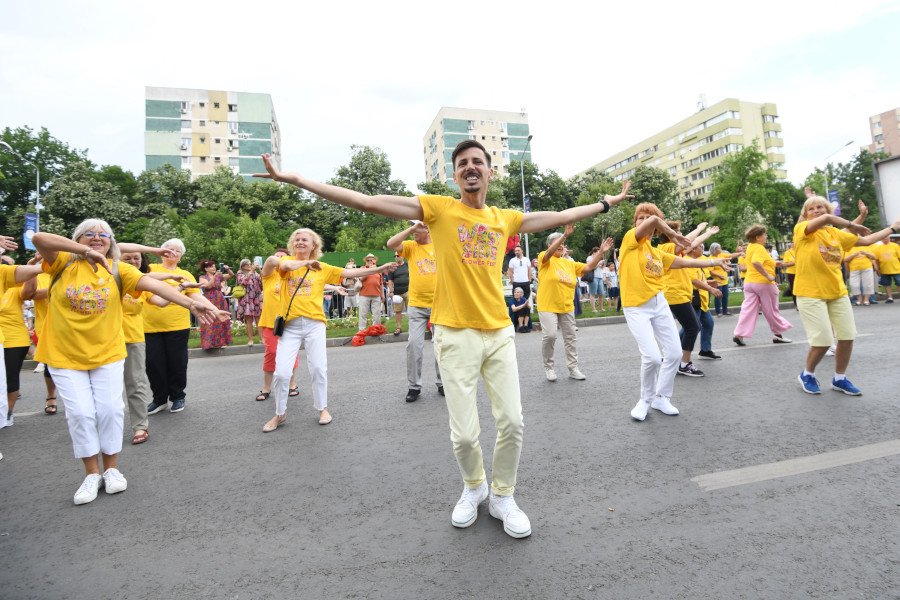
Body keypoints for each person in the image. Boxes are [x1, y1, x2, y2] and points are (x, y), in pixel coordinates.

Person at [254, 140, 633, 539]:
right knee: (466, 433)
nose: (471, 167)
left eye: (477, 162)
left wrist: (606, 204)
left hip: (499, 332)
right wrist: (295, 179)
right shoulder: (439, 209)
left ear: (489, 172)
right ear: (455, 176)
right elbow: (365, 201)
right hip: (454, 333)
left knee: (513, 423)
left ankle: (503, 495)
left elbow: (560, 215)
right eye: (462, 163)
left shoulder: (505, 217)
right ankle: (475, 487)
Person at [32, 222, 226, 505]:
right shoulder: (61, 261)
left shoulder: (118, 269)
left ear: (112, 243)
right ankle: (90, 474)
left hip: (108, 352)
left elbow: (152, 283)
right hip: (64, 354)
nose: (97, 238)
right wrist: (84, 252)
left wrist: (190, 304)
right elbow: (39, 237)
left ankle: (111, 469)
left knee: (110, 410)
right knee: (82, 414)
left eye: (104, 235)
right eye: (90, 234)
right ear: (77, 239)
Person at [262, 228, 397, 432]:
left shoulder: (323, 268)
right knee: (281, 373)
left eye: (304, 239)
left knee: (318, 368)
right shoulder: (286, 264)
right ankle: (280, 414)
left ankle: (322, 409)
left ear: (313, 245)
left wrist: (381, 268)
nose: (299, 242)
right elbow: (282, 264)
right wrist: (306, 263)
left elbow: (352, 273)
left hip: (314, 324)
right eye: (296, 239)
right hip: (290, 327)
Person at [619, 204, 732, 421]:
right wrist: (671, 232)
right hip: (636, 307)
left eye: (648, 218)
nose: (643, 221)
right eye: (639, 218)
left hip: (659, 303)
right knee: (652, 358)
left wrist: (712, 261)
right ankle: (645, 400)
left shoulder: (656, 252)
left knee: (673, 353)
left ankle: (661, 397)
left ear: (656, 230)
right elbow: (654, 222)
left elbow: (680, 262)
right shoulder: (629, 242)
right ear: (635, 224)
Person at [793, 196, 900, 395]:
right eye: (812, 208)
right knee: (823, 341)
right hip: (810, 293)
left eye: (821, 207)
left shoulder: (835, 235)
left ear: (829, 210)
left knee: (847, 336)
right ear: (806, 215)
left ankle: (839, 379)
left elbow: (867, 240)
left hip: (837, 292)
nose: (817, 210)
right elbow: (826, 220)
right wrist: (855, 223)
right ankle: (807, 374)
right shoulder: (802, 230)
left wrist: (893, 228)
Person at [119, 251, 198, 445]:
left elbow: (162, 301)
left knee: (141, 380)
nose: (132, 261)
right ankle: (159, 399)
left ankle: (170, 402)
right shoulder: (117, 275)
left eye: (136, 258)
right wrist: (165, 267)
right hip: (117, 336)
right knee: (153, 366)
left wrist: (182, 289)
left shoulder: (143, 283)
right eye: (127, 258)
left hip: (138, 336)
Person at [537, 226, 611, 381]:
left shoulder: (569, 264)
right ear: (550, 245)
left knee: (570, 337)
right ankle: (549, 368)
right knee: (550, 336)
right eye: (558, 243)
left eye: (563, 244)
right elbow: (550, 254)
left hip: (566, 305)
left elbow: (589, 267)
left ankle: (573, 368)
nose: (562, 245)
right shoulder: (545, 258)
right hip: (547, 305)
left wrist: (601, 253)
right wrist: (564, 235)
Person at [142, 239, 203, 415]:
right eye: (169, 249)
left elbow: (196, 296)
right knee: (154, 364)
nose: (173, 252)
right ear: (161, 252)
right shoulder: (151, 269)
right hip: (150, 326)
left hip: (177, 326)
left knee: (177, 363)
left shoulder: (185, 274)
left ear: (181, 257)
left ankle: (177, 397)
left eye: (177, 251)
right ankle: (159, 399)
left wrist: (214, 309)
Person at [387, 221, 443, 402]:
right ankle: (414, 386)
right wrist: (412, 228)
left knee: (442, 345)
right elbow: (391, 244)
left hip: (439, 304)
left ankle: (443, 382)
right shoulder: (411, 247)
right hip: (417, 305)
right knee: (413, 345)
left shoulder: (439, 244)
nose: (413, 233)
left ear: (426, 228)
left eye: (416, 228)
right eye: (411, 229)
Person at [657, 221, 721, 377]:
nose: (680, 234)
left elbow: (692, 243)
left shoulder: (676, 251)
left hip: (680, 294)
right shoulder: (665, 249)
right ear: (668, 234)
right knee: (693, 327)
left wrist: (707, 234)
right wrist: (699, 229)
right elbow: (688, 242)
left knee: (692, 326)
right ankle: (684, 364)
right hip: (675, 294)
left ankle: (675, 360)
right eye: (677, 232)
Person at [731, 224, 793, 347]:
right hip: (763, 283)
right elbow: (756, 262)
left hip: (749, 282)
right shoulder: (759, 248)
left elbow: (756, 262)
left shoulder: (750, 247)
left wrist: (775, 263)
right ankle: (778, 335)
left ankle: (739, 334)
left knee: (747, 310)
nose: (766, 236)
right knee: (771, 310)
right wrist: (768, 275)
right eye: (765, 234)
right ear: (758, 237)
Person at [257, 248, 301, 403]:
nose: (278, 261)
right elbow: (269, 261)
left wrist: (333, 287)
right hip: (270, 321)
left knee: (291, 353)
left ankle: (291, 384)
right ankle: (266, 387)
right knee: (272, 353)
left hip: (289, 321)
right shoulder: (268, 275)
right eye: (277, 258)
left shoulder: (292, 276)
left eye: (282, 258)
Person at [0, 258, 38, 426]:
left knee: (10, 378)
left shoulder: (16, 289)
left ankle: (7, 412)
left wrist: (31, 266)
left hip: (14, 339)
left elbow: (29, 291)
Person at [686, 244, 723, 360]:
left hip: (701, 301)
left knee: (708, 323)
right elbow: (694, 281)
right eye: (700, 247)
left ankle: (705, 350)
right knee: (691, 328)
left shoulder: (695, 261)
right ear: (693, 249)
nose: (703, 249)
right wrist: (711, 289)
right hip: (694, 300)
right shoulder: (688, 262)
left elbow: (699, 279)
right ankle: (672, 351)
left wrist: (708, 283)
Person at [198, 260, 233, 350]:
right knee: (210, 320)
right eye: (211, 266)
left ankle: (221, 342)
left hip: (219, 299)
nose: (214, 267)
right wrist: (214, 276)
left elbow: (231, 275)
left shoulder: (219, 276)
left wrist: (227, 269)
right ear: (206, 269)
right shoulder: (202, 277)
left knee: (220, 320)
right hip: (209, 299)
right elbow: (208, 286)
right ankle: (209, 343)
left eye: (214, 266)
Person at [235, 259, 263, 345]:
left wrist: (260, 270)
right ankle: (250, 340)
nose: (250, 265)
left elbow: (262, 282)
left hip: (256, 298)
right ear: (243, 266)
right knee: (249, 320)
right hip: (246, 299)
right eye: (248, 264)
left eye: (251, 264)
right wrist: (251, 272)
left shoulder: (255, 273)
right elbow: (243, 282)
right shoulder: (240, 273)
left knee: (259, 319)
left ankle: (262, 338)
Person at [357, 253, 384, 331]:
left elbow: (381, 284)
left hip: (376, 294)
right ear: (366, 261)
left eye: (371, 260)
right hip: (364, 294)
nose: (370, 261)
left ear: (374, 261)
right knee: (363, 313)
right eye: (368, 260)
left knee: (377, 314)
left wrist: (383, 295)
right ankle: (361, 330)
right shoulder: (363, 268)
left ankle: (375, 329)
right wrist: (370, 269)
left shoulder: (378, 270)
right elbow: (361, 278)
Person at [387, 250, 410, 335]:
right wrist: (391, 291)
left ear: (402, 256)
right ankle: (399, 327)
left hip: (408, 290)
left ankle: (412, 327)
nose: (396, 257)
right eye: (395, 256)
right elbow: (390, 280)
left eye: (398, 255)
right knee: (397, 311)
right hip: (397, 292)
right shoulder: (392, 267)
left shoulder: (408, 264)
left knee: (411, 310)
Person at [708, 242, 733, 316]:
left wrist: (740, 253)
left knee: (725, 295)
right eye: (719, 248)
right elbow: (711, 271)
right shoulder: (710, 259)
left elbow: (731, 256)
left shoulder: (721, 255)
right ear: (715, 249)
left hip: (725, 280)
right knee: (718, 296)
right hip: (717, 281)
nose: (721, 249)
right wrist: (719, 275)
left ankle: (725, 310)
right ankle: (718, 312)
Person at [872, 237, 900, 302]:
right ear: (881, 239)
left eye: (887, 238)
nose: (886, 239)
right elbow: (877, 260)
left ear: (889, 238)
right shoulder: (878, 248)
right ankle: (890, 297)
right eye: (884, 238)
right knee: (887, 284)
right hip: (884, 269)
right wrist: (878, 269)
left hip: (896, 268)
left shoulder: (895, 245)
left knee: (899, 283)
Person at [782, 241, 797, 308]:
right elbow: (784, 263)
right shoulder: (788, 253)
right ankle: (796, 304)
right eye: (793, 242)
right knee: (793, 288)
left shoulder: (800, 250)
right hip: (791, 272)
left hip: (801, 272)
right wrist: (793, 263)